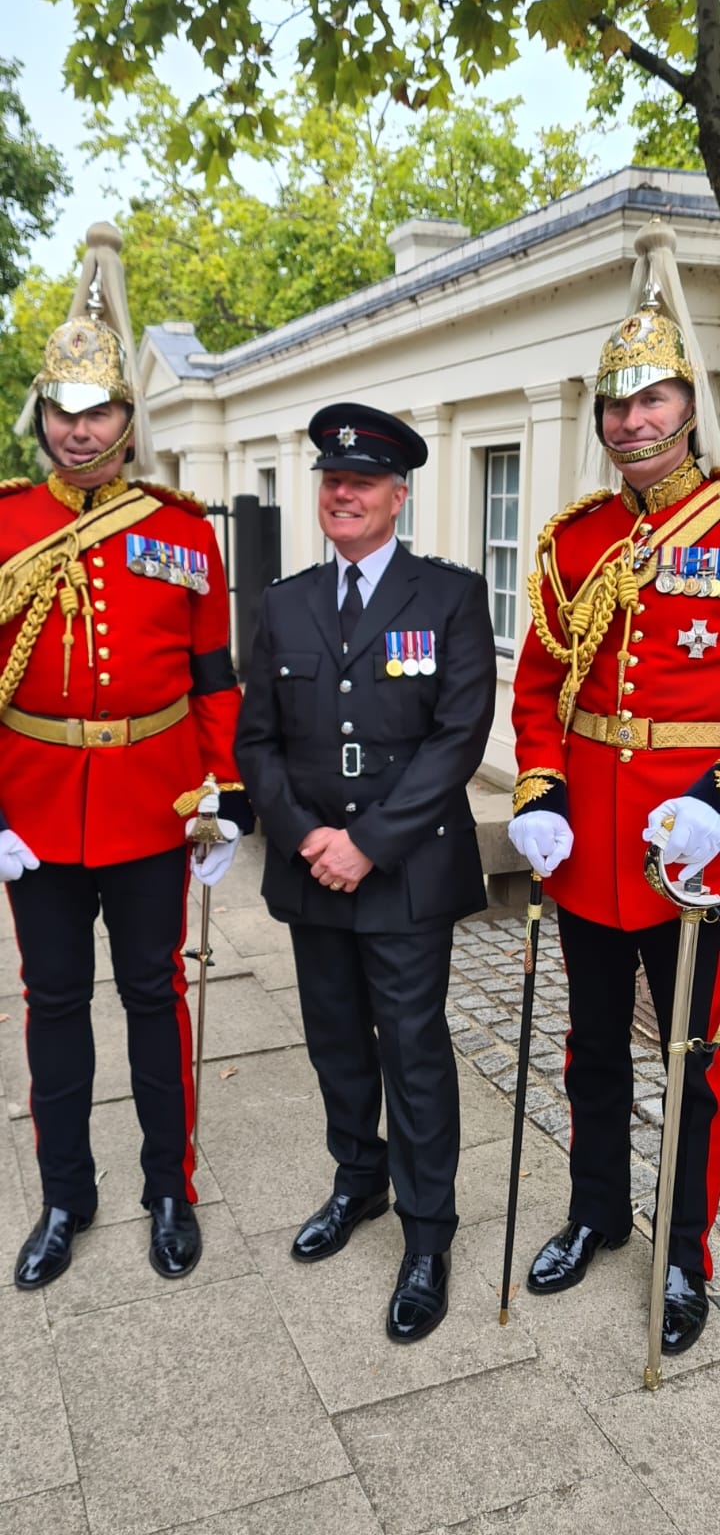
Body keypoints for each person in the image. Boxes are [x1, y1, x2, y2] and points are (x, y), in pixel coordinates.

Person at [4, 222, 252, 1290]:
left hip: (155, 806)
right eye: (63, 411)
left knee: (156, 998)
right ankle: (68, 1193)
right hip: (38, 808)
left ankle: (169, 1185)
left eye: (99, 409)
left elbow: (212, 680)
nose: (79, 429)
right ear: (43, 417)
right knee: (52, 1005)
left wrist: (226, 796)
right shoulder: (7, 526)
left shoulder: (185, 532)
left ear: (128, 417)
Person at [235, 403, 496, 1341]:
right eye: (329, 480)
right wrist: (304, 835)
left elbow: (458, 736)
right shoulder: (285, 601)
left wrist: (368, 843)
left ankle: (429, 1231)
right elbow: (256, 737)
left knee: (414, 1051)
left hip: (405, 868)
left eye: (361, 481)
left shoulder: (450, 597)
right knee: (336, 1039)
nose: (341, 493)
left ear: (399, 494)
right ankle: (360, 1181)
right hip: (313, 867)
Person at [508, 218, 720, 1356]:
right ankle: (595, 1208)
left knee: (693, 1058)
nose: (633, 420)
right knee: (591, 1045)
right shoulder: (573, 540)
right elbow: (542, 682)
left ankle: (684, 1247)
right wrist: (539, 793)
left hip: (697, 849)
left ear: (687, 403)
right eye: (616, 403)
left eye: (654, 398)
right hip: (589, 840)